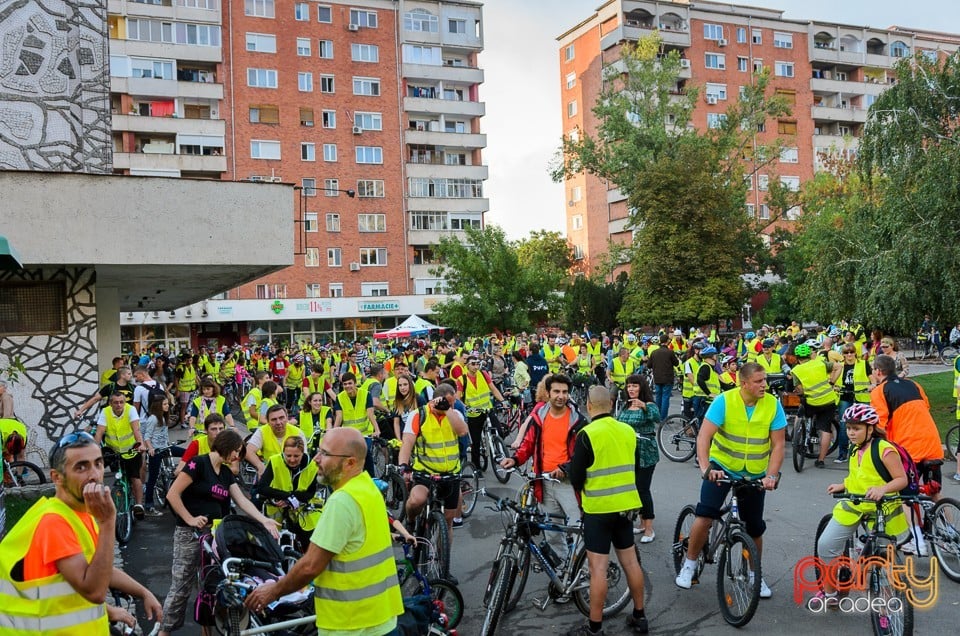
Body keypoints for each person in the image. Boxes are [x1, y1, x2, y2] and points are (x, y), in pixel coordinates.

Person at [243, 428, 404, 635]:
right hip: (381, 619)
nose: (317, 459)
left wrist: (272, 591)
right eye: (318, 451)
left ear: (350, 463)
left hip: (351, 625)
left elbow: (310, 565)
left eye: (325, 454)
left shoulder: (342, 501)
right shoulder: (368, 488)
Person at [0, 431, 162, 633]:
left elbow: (98, 567)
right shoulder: (54, 522)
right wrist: (108, 522)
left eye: (98, 463)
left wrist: (142, 592)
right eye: (81, 467)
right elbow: (94, 590)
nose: (94, 474)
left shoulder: (79, 512)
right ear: (56, 477)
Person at [674, 362, 785, 599]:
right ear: (743, 383)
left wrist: (771, 476)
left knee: (754, 527)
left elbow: (778, 445)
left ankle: (756, 575)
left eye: (764, 380)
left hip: (754, 474)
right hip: (722, 468)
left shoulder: (773, 405)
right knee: (705, 516)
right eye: (758, 381)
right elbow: (704, 437)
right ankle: (690, 564)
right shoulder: (724, 401)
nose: (764, 385)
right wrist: (706, 468)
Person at [158, 429, 278, 635]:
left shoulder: (225, 473)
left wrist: (264, 519)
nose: (237, 457)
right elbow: (173, 494)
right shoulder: (198, 464)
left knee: (211, 586)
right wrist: (190, 518)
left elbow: (242, 501)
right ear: (227, 446)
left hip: (214, 537)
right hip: (190, 534)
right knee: (181, 587)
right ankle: (164, 631)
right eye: (236, 452)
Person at [567, 386, 648, 636]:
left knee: (598, 569)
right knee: (631, 563)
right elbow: (632, 466)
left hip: (598, 510)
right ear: (611, 404)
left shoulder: (586, 434)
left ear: (589, 406)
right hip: (625, 507)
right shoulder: (628, 431)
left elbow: (577, 476)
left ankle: (595, 627)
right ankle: (639, 616)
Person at [813, 404, 908, 609]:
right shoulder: (855, 448)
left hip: (881, 508)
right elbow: (859, 476)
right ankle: (830, 593)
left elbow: (901, 479)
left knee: (882, 557)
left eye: (856, 428)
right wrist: (843, 484)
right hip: (854, 505)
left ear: (870, 429)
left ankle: (885, 600)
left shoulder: (884, 449)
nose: (851, 433)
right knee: (826, 545)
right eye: (848, 428)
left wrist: (883, 489)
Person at [500, 374, 589, 556]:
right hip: (544, 483)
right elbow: (528, 443)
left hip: (568, 484)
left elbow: (584, 454)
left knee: (577, 528)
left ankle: (583, 573)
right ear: (548, 393)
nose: (561, 396)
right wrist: (515, 459)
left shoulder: (578, 421)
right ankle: (562, 571)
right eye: (556, 391)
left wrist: (566, 469)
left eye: (565, 392)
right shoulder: (539, 417)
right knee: (552, 532)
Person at [870, 354, 945, 555]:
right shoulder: (914, 384)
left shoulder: (880, 391)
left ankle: (917, 542)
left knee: (905, 496)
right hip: (932, 442)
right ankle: (947, 531)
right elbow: (925, 407)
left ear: (878, 372)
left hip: (909, 449)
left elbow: (879, 424)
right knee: (934, 491)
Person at [397, 383, 468, 579]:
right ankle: (411, 522)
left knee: (448, 522)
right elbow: (408, 442)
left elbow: (462, 431)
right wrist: (403, 465)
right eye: (448, 402)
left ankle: (443, 564)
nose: (452, 405)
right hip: (425, 472)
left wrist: (449, 410)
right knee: (417, 500)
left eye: (453, 402)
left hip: (451, 473)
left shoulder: (454, 414)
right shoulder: (419, 415)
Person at [615, 374, 660, 542]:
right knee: (633, 488)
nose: (631, 389)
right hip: (628, 453)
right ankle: (641, 523)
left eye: (635, 386)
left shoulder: (648, 405)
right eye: (629, 386)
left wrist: (644, 407)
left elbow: (657, 417)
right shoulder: (625, 406)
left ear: (642, 388)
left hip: (645, 453)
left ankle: (649, 528)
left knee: (643, 489)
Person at [256, 436, 322, 552]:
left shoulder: (312, 466)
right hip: (277, 510)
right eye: (288, 456)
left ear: (303, 453)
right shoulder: (275, 461)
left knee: (309, 543)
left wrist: (292, 498)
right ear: (283, 453)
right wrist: (286, 497)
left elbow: (310, 493)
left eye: (296, 456)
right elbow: (261, 488)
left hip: (301, 511)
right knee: (270, 545)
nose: (292, 459)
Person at [93, 392, 148, 519]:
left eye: (121, 402)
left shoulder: (131, 410)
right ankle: (99, 497)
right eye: (115, 402)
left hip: (130, 449)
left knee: (135, 477)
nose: (119, 405)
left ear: (125, 402)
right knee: (98, 468)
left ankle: (139, 505)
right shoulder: (105, 412)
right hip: (113, 450)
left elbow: (136, 430)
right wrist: (94, 449)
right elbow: (99, 432)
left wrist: (140, 444)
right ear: (110, 403)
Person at [790, 343, 838, 468]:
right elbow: (838, 367)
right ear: (810, 355)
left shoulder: (796, 370)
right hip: (828, 400)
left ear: (797, 357)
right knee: (825, 429)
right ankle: (821, 460)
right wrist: (832, 381)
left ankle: (796, 434)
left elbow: (799, 389)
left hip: (812, 402)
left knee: (801, 411)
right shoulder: (820, 363)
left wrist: (803, 391)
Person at [141, 394, 184, 516]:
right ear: (158, 406)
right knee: (153, 479)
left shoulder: (164, 417)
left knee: (186, 454)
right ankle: (149, 505)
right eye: (164, 404)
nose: (167, 406)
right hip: (156, 451)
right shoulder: (153, 419)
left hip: (165, 447)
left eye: (167, 404)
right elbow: (147, 436)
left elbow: (162, 434)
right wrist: (150, 449)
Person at [462, 355, 506, 471]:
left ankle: (498, 448)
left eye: (477, 363)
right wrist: (465, 407)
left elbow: (493, 389)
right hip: (473, 413)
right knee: (475, 443)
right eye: (473, 364)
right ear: (467, 365)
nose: (476, 366)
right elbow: (458, 398)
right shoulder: (462, 379)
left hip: (487, 409)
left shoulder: (483, 374)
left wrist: (503, 401)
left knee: (499, 431)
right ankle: (476, 468)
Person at [830, 344, 873, 463]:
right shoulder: (839, 366)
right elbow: (832, 379)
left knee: (865, 424)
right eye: (846, 353)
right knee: (845, 425)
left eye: (851, 352)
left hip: (862, 396)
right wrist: (834, 386)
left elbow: (871, 377)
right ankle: (842, 453)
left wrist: (872, 384)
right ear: (843, 354)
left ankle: (866, 452)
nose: (849, 355)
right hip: (845, 396)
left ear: (855, 353)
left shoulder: (863, 364)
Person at [333, 372, 380, 475]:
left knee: (365, 453)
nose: (347, 386)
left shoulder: (366, 394)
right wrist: (333, 432)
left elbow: (370, 414)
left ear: (355, 383)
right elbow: (339, 416)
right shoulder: (340, 397)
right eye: (345, 384)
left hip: (365, 433)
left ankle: (371, 479)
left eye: (350, 383)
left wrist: (377, 430)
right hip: (349, 435)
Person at [246, 404, 308, 476]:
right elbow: (248, 451)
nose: (278, 422)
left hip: (292, 472)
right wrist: (260, 466)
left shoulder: (297, 433)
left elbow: (304, 457)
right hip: (270, 473)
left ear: (287, 418)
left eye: (281, 418)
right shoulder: (262, 431)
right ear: (268, 422)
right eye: (274, 419)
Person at [646, 337, 677, 418]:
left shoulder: (654, 352)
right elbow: (676, 363)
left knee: (658, 397)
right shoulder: (670, 352)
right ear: (667, 342)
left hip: (657, 378)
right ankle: (663, 418)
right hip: (668, 378)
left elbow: (649, 365)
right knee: (665, 398)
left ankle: (657, 416)